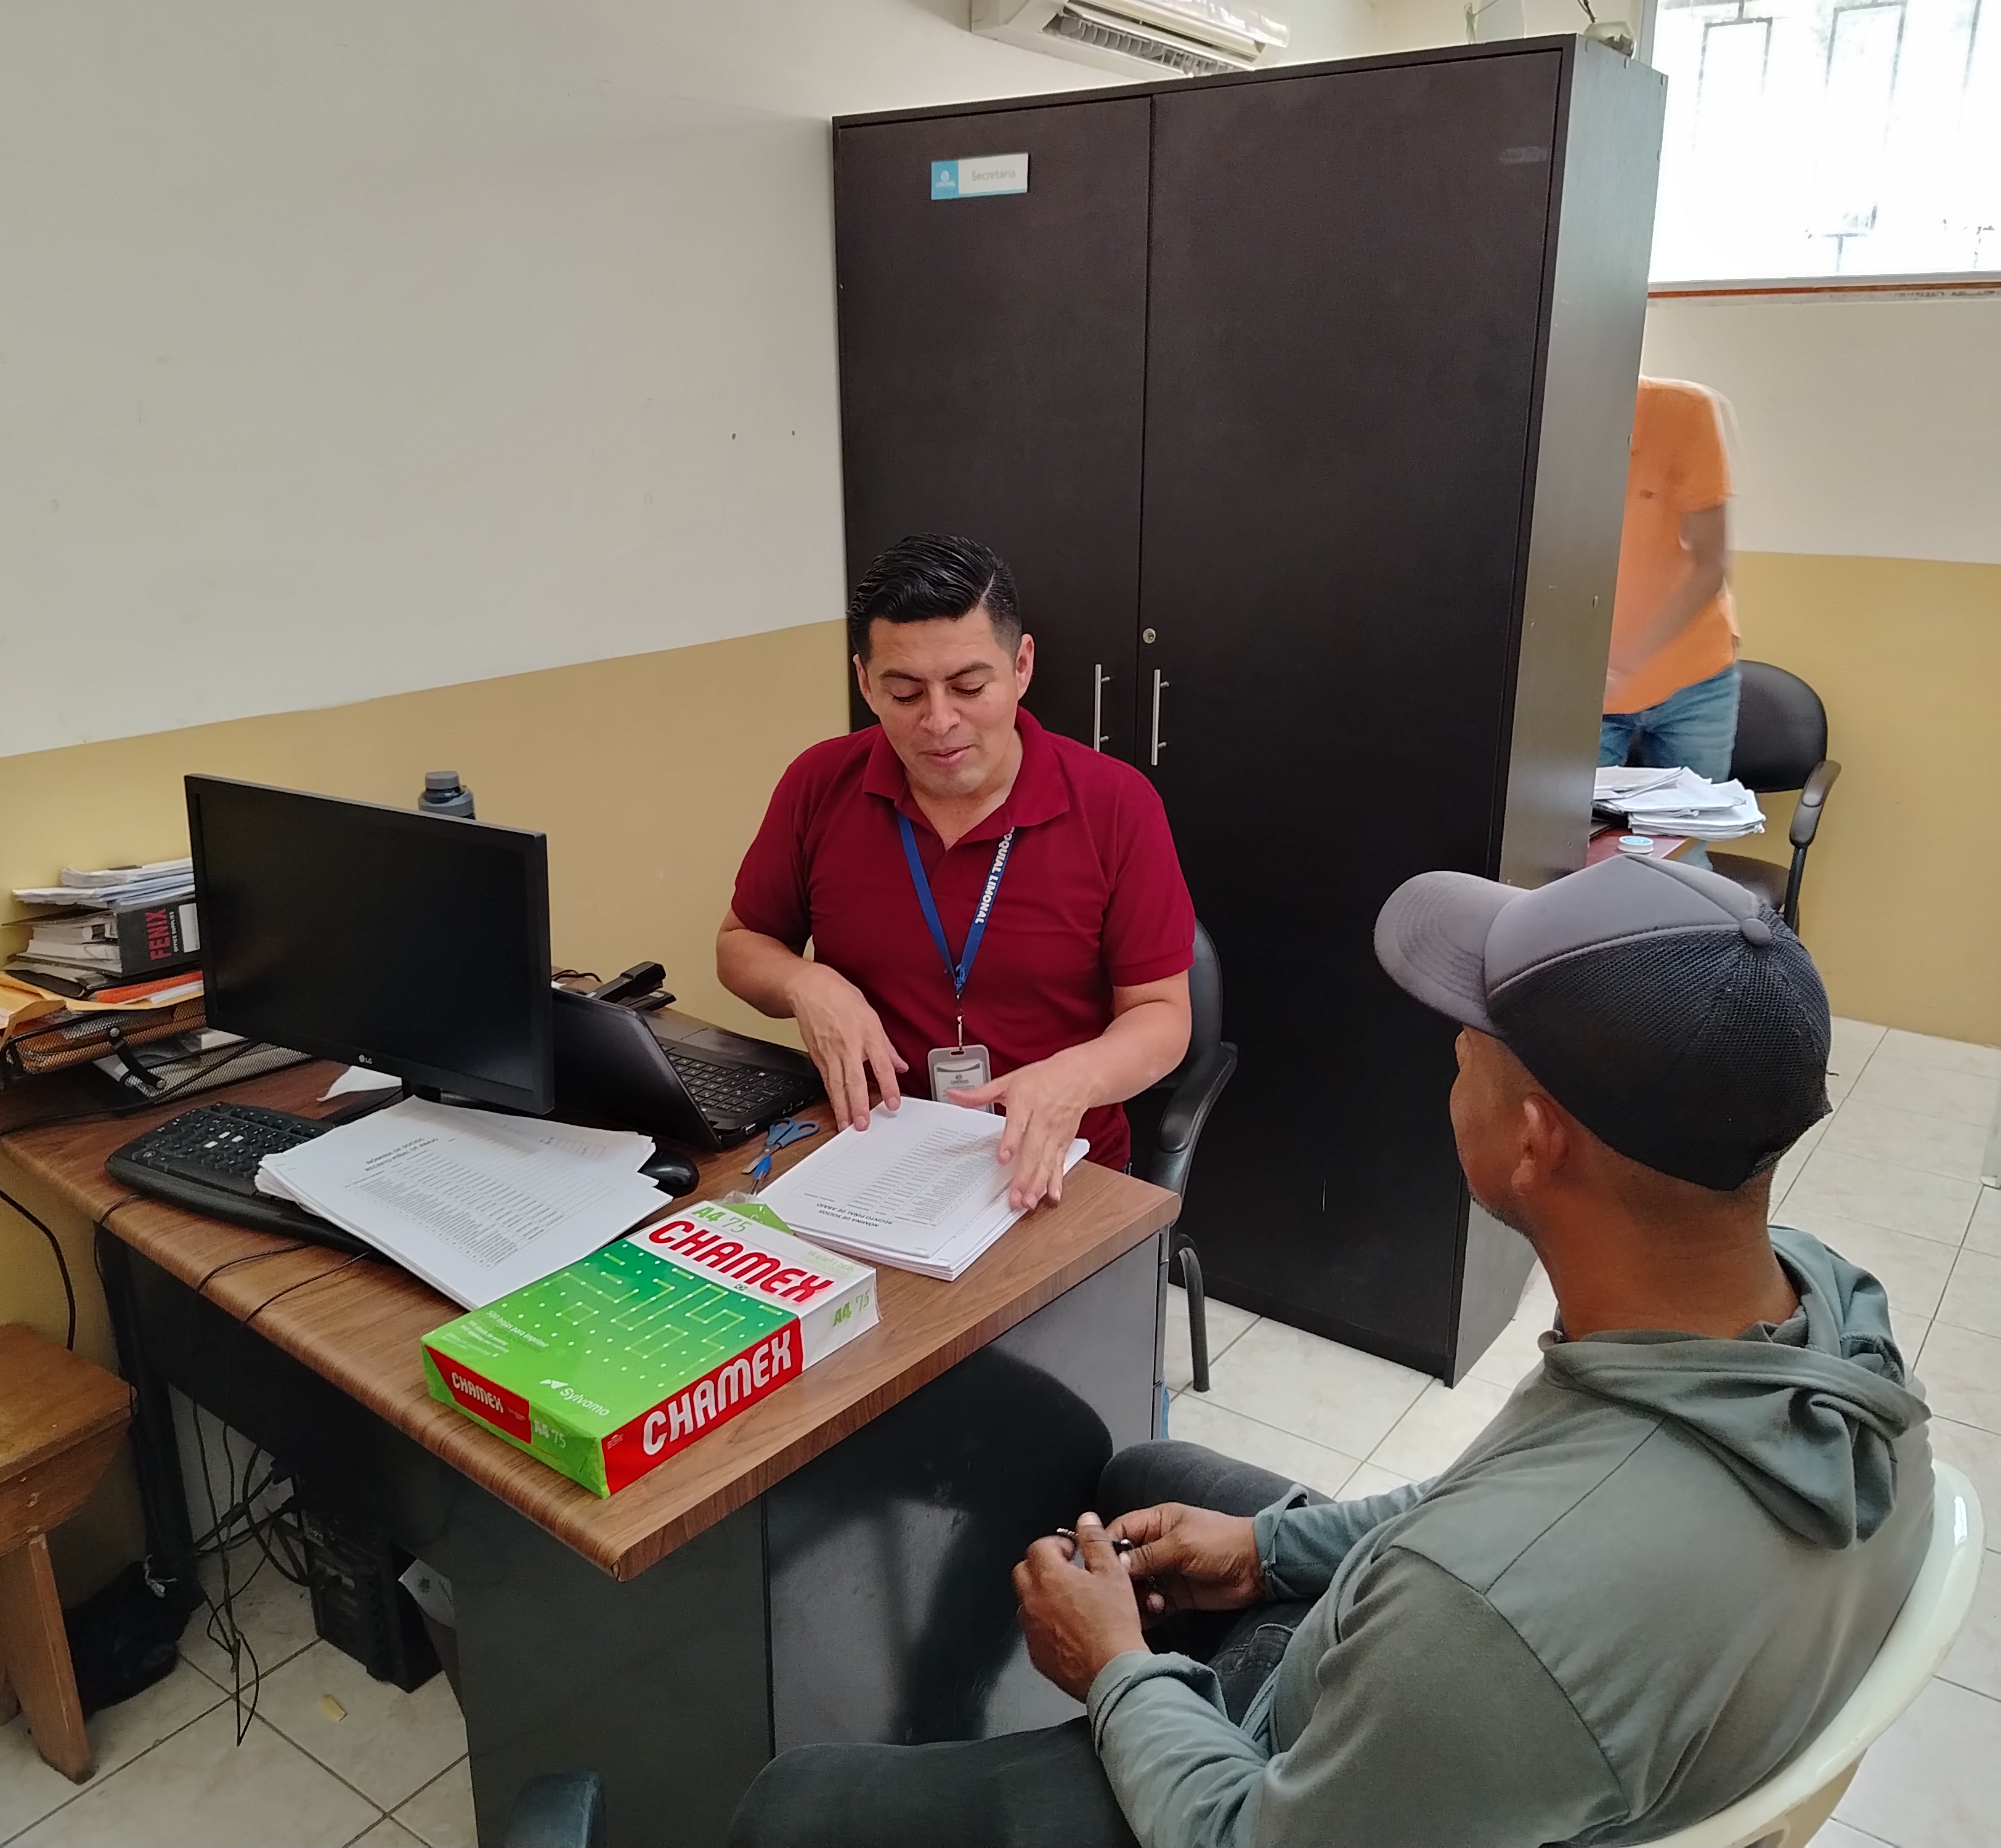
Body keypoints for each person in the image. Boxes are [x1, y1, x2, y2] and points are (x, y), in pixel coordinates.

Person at [729, 853, 1934, 1848]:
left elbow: (1259, 1820)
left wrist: (1115, 1673)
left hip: (1296, 1783)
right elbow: (1491, 1504)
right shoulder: (1815, 1310)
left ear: (1532, 1143)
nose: (1446, 1062)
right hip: (1456, 1710)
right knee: (1146, 1477)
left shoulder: (1491, 1622)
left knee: (795, 1808)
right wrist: (1267, 1552)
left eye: (1464, 1047)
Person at [718, 534, 1196, 1207]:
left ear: (1021, 666)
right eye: (905, 693)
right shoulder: (820, 783)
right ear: (865, 682)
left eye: (969, 687)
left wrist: (1076, 1078)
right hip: (871, 1148)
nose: (939, 722)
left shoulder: (1115, 805)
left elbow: (1162, 1015)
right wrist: (805, 983)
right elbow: (740, 944)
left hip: (1055, 1165)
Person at [1602, 376, 1740, 779]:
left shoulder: (1684, 411)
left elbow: (1711, 565)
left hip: (1691, 680)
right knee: (1562, 819)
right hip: (1583, 687)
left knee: (1688, 820)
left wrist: (1626, 664)